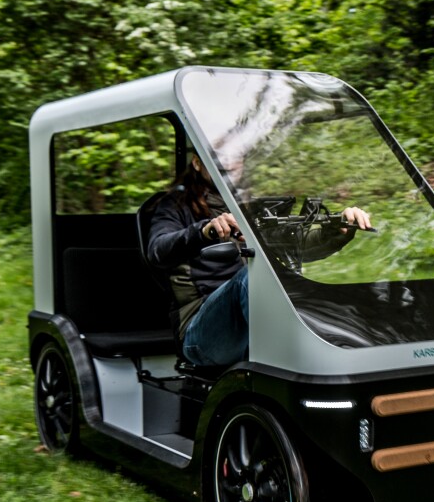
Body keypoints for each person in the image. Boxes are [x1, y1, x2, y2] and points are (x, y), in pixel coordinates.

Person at [145, 154, 370, 367]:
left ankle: (350, 354)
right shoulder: (174, 206)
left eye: (236, 155)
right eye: (220, 155)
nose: (229, 161)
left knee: (295, 278)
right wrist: (204, 231)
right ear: (197, 162)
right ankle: (302, 363)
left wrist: (336, 232)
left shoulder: (248, 204)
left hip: (249, 328)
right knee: (256, 275)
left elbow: (291, 244)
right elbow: (158, 250)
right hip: (200, 336)